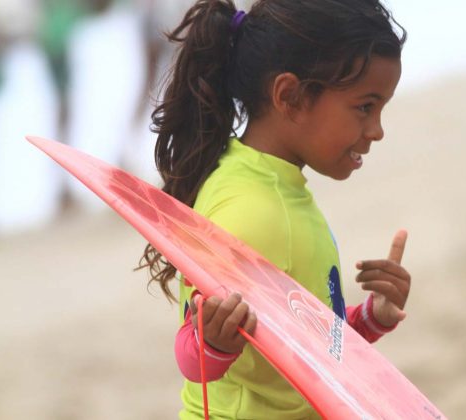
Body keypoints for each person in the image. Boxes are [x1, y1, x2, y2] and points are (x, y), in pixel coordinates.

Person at [138, 0, 409, 418]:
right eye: (364, 107)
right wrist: (213, 341)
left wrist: (373, 317)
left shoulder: (264, 181)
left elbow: (307, 348)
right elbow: (192, 358)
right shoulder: (254, 212)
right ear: (290, 96)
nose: (377, 131)